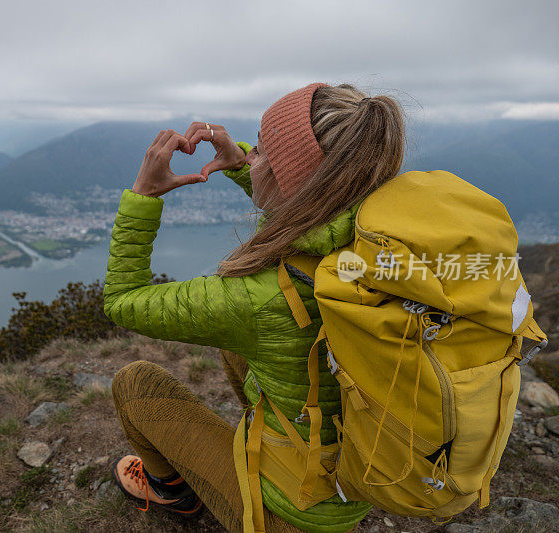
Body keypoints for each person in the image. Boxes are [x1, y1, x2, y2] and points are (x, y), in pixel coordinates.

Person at [102, 82, 406, 532]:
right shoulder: (376, 232)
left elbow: (122, 301)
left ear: (291, 179)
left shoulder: (260, 298)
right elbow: (303, 212)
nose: (250, 158)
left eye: (261, 153)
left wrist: (143, 197)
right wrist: (242, 167)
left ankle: (173, 491)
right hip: (355, 475)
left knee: (135, 384)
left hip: (289, 516)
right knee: (238, 349)